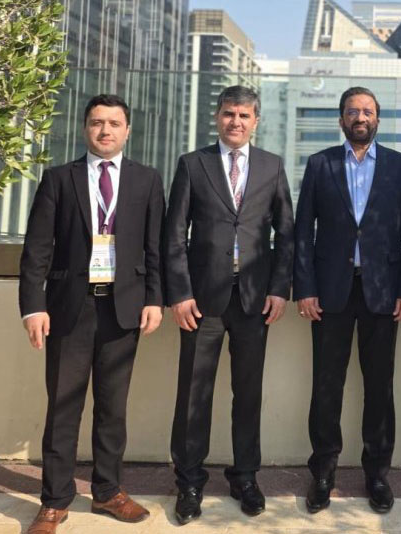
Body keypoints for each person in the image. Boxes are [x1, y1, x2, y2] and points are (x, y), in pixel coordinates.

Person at [19, 94, 165, 534]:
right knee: (63, 407)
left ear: (127, 131)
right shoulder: (59, 179)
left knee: (112, 408)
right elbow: (36, 249)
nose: (105, 131)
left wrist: (154, 298)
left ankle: (107, 491)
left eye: (114, 123)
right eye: (97, 122)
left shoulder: (147, 180)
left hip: (123, 308)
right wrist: (33, 306)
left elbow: (155, 248)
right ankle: (54, 501)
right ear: (85, 128)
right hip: (69, 308)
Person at [164, 85, 294, 524]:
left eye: (243, 115)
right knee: (193, 393)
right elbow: (174, 235)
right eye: (228, 114)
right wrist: (180, 293)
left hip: (255, 301)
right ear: (217, 117)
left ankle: (245, 477)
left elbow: (286, 234)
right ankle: (188, 481)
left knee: (249, 392)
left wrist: (279, 289)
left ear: (256, 121)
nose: (235, 121)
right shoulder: (193, 164)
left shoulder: (273, 166)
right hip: (202, 301)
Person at [293, 86, 401, 514]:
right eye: (352, 111)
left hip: (384, 293)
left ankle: (377, 473)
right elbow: (302, 232)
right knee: (326, 385)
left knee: (379, 387)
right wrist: (305, 288)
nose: (360, 118)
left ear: (377, 119)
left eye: (367, 111)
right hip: (330, 293)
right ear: (341, 119)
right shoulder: (320, 164)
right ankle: (323, 471)